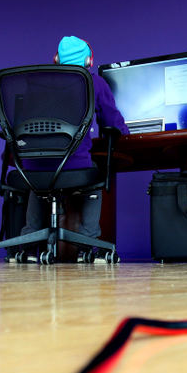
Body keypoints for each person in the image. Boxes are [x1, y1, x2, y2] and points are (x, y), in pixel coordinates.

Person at [19, 35, 129, 260]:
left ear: (56, 59)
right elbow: (112, 122)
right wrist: (124, 134)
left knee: (37, 179)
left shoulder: (36, 84)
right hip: (73, 166)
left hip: (33, 165)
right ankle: (89, 245)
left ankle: (28, 247)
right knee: (95, 177)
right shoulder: (95, 82)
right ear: (89, 61)